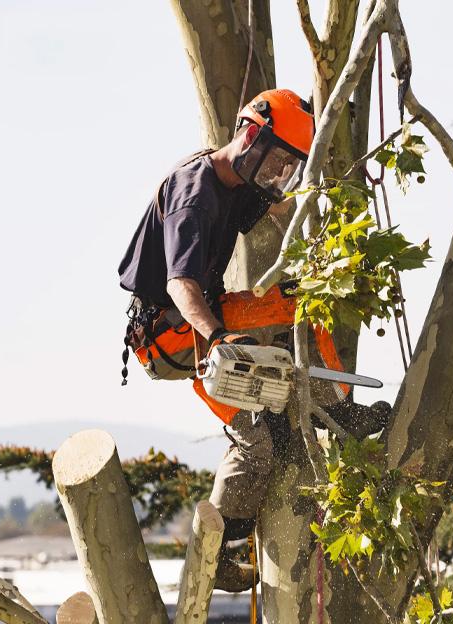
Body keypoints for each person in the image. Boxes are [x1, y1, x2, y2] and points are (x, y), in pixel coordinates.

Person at [117, 88, 389, 592]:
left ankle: (219, 550)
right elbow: (180, 284)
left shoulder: (238, 181)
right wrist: (220, 337)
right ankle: (337, 413)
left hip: (199, 323)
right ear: (250, 136)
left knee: (267, 421)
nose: (279, 173)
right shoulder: (195, 193)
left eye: (290, 164)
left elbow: (280, 207)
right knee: (285, 331)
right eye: (279, 160)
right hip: (172, 333)